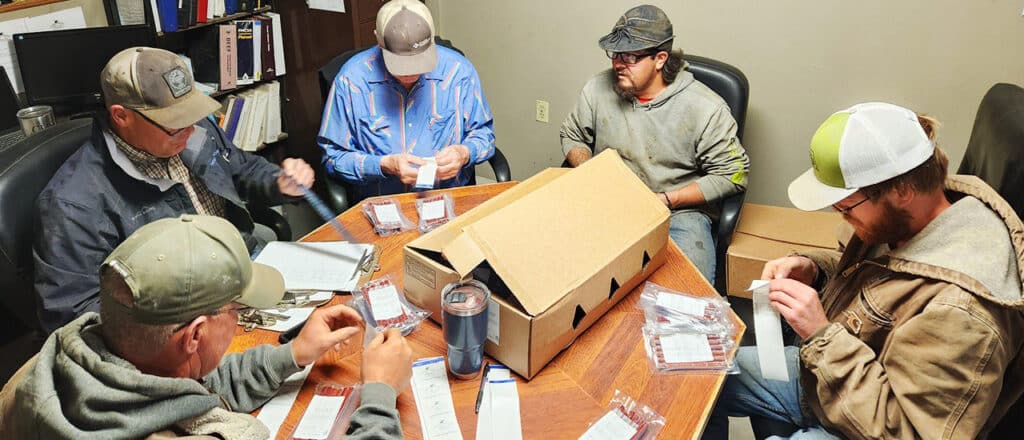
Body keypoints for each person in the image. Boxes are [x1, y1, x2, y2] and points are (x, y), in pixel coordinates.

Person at [704, 102, 1024, 439]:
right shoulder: (910, 216)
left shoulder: (963, 315)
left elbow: (907, 432)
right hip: (835, 380)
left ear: (901, 191)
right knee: (700, 377)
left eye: (846, 207)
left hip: (873, 423)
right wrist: (815, 270)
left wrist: (820, 335)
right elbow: (883, 280)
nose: (840, 215)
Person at [0, 215, 413, 439]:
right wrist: (378, 393)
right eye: (235, 310)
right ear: (195, 335)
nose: (239, 319)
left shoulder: (40, 374)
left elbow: (182, 386)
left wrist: (292, 355)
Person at [33, 47, 316, 333]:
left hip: (244, 272)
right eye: (174, 124)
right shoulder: (73, 204)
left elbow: (241, 168)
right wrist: (176, 322)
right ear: (121, 116)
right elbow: (75, 316)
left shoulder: (193, 130)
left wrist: (278, 180)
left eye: (191, 115)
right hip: (180, 323)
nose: (190, 130)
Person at [560, 4, 750, 283]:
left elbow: (733, 174)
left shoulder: (705, 107)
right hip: (609, 201)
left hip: (677, 214)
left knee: (683, 299)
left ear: (660, 58)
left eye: (629, 56)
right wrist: (591, 172)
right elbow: (573, 135)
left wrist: (665, 200)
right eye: (615, 53)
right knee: (565, 273)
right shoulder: (597, 89)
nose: (617, 64)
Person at [318, 0, 496, 200]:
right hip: (383, 204)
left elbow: (484, 136)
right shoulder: (351, 81)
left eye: (420, 61)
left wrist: (464, 153)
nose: (411, 72)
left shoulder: (458, 72)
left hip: (448, 198)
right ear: (378, 40)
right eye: (401, 64)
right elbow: (333, 158)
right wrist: (383, 165)